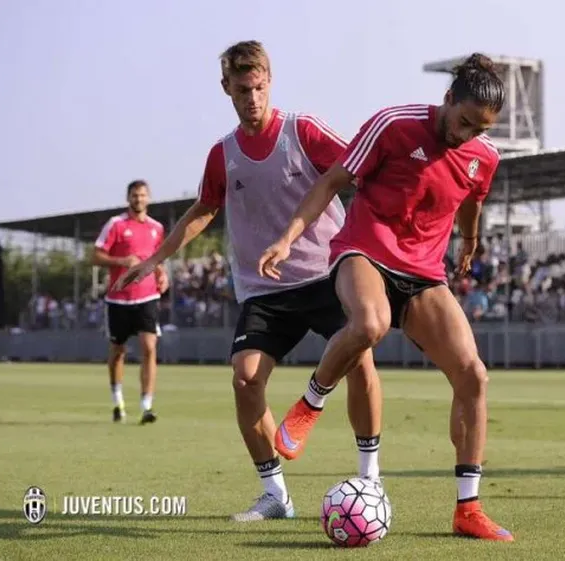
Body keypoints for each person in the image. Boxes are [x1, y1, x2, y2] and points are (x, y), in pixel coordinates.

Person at [116, 40, 383, 521]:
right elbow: (202, 211)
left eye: (258, 87)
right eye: (242, 90)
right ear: (226, 90)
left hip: (326, 276)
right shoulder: (223, 155)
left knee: (361, 361)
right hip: (264, 289)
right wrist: (158, 257)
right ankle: (276, 495)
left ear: (269, 81)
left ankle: (370, 479)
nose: (252, 98)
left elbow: (358, 172)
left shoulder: (302, 130)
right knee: (244, 380)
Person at [258, 53, 513, 542]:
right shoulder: (393, 124)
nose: (466, 135)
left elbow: (472, 201)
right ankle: (311, 403)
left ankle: (468, 509)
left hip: (423, 274)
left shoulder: (485, 156)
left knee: (473, 375)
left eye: (479, 129)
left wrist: (470, 241)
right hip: (365, 252)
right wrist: (289, 237)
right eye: (462, 122)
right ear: (447, 100)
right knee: (369, 326)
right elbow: (333, 180)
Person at [92, 179, 168, 425]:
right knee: (118, 352)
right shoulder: (116, 224)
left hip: (147, 297)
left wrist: (161, 273)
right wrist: (122, 261)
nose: (139, 199)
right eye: (135, 195)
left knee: (149, 347)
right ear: (128, 198)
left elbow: (158, 258)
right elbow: (96, 255)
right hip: (118, 299)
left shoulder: (157, 228)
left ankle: (147, 406)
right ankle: (118, 401)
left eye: (143, 195)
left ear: (149, 198)